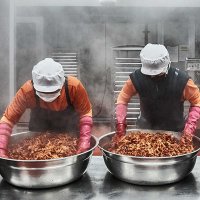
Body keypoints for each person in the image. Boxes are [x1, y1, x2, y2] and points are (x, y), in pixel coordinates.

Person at [0, 58, 93, 157]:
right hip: (37, 132)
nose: (49, 97)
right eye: (43, 92)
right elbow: (8, 119)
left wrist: (84, 140)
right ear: (35, 85)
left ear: (61, 83)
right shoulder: (27, 91)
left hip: (69, 132)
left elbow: (85, 112)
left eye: (53, 91)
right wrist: (1, 147)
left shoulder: (74, 86)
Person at [115, 43, 200, 137]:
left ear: (167, 64)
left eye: (157, 73)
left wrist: (190, 127)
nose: (153, 76)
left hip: (175, 133)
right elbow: (122, 99)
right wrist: (120, 123)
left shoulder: (182, 80)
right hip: (144, 132)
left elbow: (197, 102)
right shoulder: (136, 78)